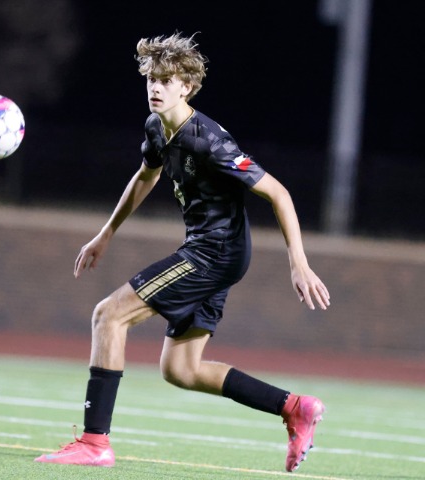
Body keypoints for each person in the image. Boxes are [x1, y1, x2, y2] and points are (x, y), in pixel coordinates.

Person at [35, 32, 330, 473]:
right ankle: (294, 407)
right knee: (181, 369)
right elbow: (145, 176)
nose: (155, 88)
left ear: (186, 87)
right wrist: (106, 233)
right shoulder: (157, 127)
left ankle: (95, 444)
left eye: (166, 80)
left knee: (109, 315)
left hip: (216, 252)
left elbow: (279, 193)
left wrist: (299, 263)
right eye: (151, 79)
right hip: (211, 251)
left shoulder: (208, 140)